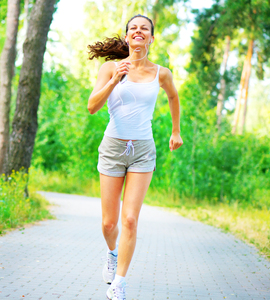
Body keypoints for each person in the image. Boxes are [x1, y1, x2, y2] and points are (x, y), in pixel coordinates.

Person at [87, 14, 183, 300]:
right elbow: (92, 106)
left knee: (129, 219)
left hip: (142, 149)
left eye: (145, 29)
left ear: (151, 38)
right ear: (127, 37)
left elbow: (174, 97)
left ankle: (119, 282)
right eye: (133, 28)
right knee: (109, 223)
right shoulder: (110, 68)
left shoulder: (161, 73)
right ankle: (112, 253)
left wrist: (176, 130)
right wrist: (116, 79)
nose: (138, 32)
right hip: (113, 148)